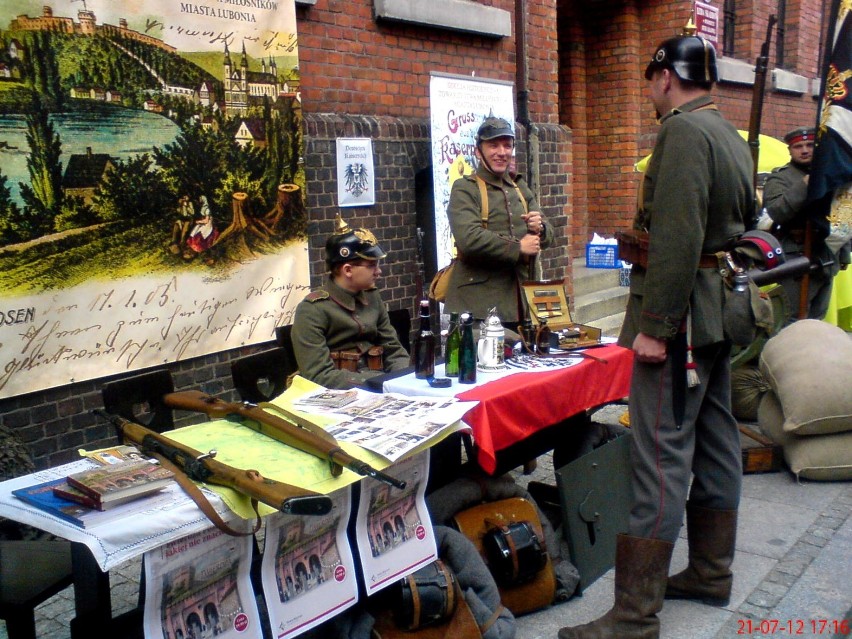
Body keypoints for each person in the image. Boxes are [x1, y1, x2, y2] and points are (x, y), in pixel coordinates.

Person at [559, 25, 753, 639]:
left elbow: (677, 239)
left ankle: (634, 616)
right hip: (717, 313)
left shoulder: (683, 131)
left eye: (650, 80)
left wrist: (657, 328)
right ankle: (710, 572)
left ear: (664, 75)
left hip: (682, 319)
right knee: (718, 440)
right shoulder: (727, 131)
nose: (649, 91)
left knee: (659, 457)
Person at [443, 117, 552, 325]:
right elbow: (469, 239)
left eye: (507, 145)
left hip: (521, 302)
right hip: (478, 306)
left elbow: (548, 233)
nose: (502, 152)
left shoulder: (520, 187)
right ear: (478, 151)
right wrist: (519, 247)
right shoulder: (465, 188)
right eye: (493, 145)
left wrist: (541, 228)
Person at [291, 215, 410, 390]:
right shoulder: (313, 310)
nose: (379, 271)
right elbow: (319, 375)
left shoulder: (372, 297)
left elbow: (394, 350)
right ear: (347, 270)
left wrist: (402, 381)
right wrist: (375, 384)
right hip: (341, 392)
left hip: (382, 384)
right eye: (371, 266)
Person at [762, 127, 850, 323]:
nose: (804, 150)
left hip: (826, 255)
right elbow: (777, 212)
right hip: (796, 256)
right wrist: (804, 185)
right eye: (798, 146)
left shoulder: (830, 176)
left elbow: (842, 215)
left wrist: (843, 253)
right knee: (790, 319)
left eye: (810, 145)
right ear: (790, 151)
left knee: (816, 319)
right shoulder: (780, 178)